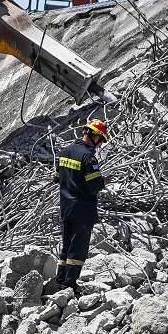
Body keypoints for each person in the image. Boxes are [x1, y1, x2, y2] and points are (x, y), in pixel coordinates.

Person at [55, 119, 111, 293]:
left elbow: (57, 178)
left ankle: (60, 282)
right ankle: (69, 285)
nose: (101, 144)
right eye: (101, 140)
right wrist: (104, 181)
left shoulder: (64, 152)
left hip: (66, 207)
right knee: (78, 249)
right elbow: (93, 186)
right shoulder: (88, 157)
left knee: (66, 247)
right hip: (83, 209)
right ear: (94, 136)